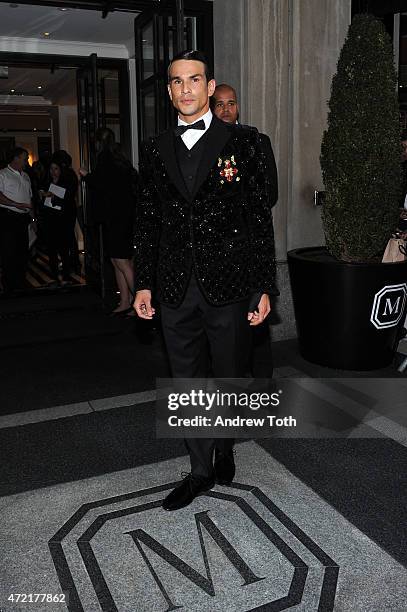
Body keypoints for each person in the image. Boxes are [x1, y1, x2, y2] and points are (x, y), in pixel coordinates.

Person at [134, 50, 277, 511]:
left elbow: (258, 219)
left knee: (232, 373)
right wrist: (143, 282)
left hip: (231, 283)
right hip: (174, 286)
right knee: (185, 380)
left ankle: (226, 444)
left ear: (210, 87)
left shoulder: (246, 143)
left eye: (194, 80)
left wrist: (263, 286)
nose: (186, 89)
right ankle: (199, 468)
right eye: (176, 82)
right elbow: (148, 218)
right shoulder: (155, 148)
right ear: (170, 90)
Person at [80, 128, 138, 314]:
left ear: (98, 142)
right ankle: (125, 301)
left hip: (117, 217)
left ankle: (140, 303)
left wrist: (86, 175)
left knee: (121, 261)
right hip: (124, 216)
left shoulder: (106, 159)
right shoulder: (120, 158)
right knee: (117, 260)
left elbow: (101, 183)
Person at [211, 83, 279, 208]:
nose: (226, 109)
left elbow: (271, 193)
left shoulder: (259, 141)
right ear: (211, 109)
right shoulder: (204, 144)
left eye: (231, 104)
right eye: (220, 104)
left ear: (237, 108)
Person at [40, 155, 78, 284]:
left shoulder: (66, 181)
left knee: (63, 247)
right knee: (51, 248)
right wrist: (42, 196)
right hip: (50, 219)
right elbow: (41, 202)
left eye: (55, 169)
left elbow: (69, 200)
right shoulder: (46, 182)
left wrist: (54, 196)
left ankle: (66, 274)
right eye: (51, 169)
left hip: (63, 219)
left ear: (60, 170)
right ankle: (54, 274)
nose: (53, 172)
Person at [0, 147, 33, 292]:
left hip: (23, 218)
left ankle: (20, 280)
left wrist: (33, 219)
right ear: (16, 158)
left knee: (22, 251)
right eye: (25, 158)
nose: (26, 161)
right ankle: (9, 284)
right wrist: (16, 204)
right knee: (9, 251)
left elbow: (29, 199)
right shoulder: (3, 174)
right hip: (8, 218)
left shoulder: (26, 176)